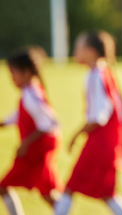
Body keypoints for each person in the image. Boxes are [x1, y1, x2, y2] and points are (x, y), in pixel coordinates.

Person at [54, 31, 122, 215]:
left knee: (71, 186)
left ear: (91, 51)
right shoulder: (105, 73)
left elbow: (99, 116)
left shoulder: (96, 76)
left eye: (79, 48)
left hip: (100, 143)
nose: (75, 52)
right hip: (109, 144)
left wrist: (76, 135)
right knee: (107, 194)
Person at [0, 47, 62, 215]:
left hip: (37, 149)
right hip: (39, 148)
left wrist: (25, 144)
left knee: (3, 186)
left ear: (26, 73)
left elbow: (49, 122)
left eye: (13, 74)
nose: (11, 79)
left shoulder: (31, 94)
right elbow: (19, 115)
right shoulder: (30, 92)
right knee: (46, 192)